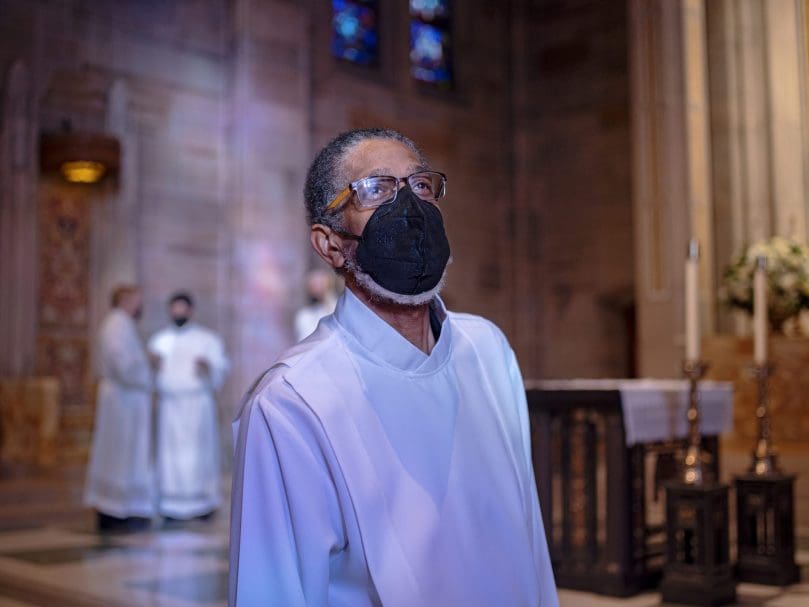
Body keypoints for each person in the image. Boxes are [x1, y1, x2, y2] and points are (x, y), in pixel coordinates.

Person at [229, 128, 558, 606]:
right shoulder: (291, 403)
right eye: (375, 190)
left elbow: (528, 537)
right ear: (329, 244)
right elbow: (275, 591)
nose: (409, 207)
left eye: (420, 186)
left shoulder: (487, 349)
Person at [149, 292, 229, 521]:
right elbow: (149, 372)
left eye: (182, 309)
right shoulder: (160, 340)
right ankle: (170, 504)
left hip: (197, 406)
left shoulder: (207, 339)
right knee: (170, 455)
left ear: (190, 311)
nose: (178, 313)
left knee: (197, 453)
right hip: (170, 406)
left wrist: (209, 367)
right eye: (174, 309)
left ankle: (202, 503)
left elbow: (220, 367)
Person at [85, 285, 155, 532]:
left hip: (126, 400)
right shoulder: (117, 324)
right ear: (125, 300)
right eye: (137, 300)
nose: (140, 306)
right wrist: (147, 362)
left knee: (125, 455)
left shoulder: (122, 324)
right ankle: (115, 510)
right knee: (119, 455)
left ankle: (124, 508)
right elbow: (123, 365)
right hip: (122, 401)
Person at [293, 268, 338, 341]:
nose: (318, 286)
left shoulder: (339, 307)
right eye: (314, 284)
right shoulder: (305, 316)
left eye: (321, 282)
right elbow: (305, 340)